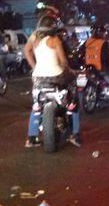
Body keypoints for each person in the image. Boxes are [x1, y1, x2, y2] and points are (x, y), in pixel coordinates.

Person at [24, 16, 81, 147]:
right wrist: (69, 70)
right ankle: (75, 134)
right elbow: (64, 61)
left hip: (38, 78)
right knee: (73, 95)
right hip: (56, 76)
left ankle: (31, 138)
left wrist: (34, 67)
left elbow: (27, 51)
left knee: (37, 105)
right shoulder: (55, 40)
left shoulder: (34, 37)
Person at [84, 25, 109, 112]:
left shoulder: (88, 42)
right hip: (101, 70)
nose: (105, 35)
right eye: (104, 33)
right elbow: (105, 58)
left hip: (89, 69)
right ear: (101, 33)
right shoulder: (103, 43)